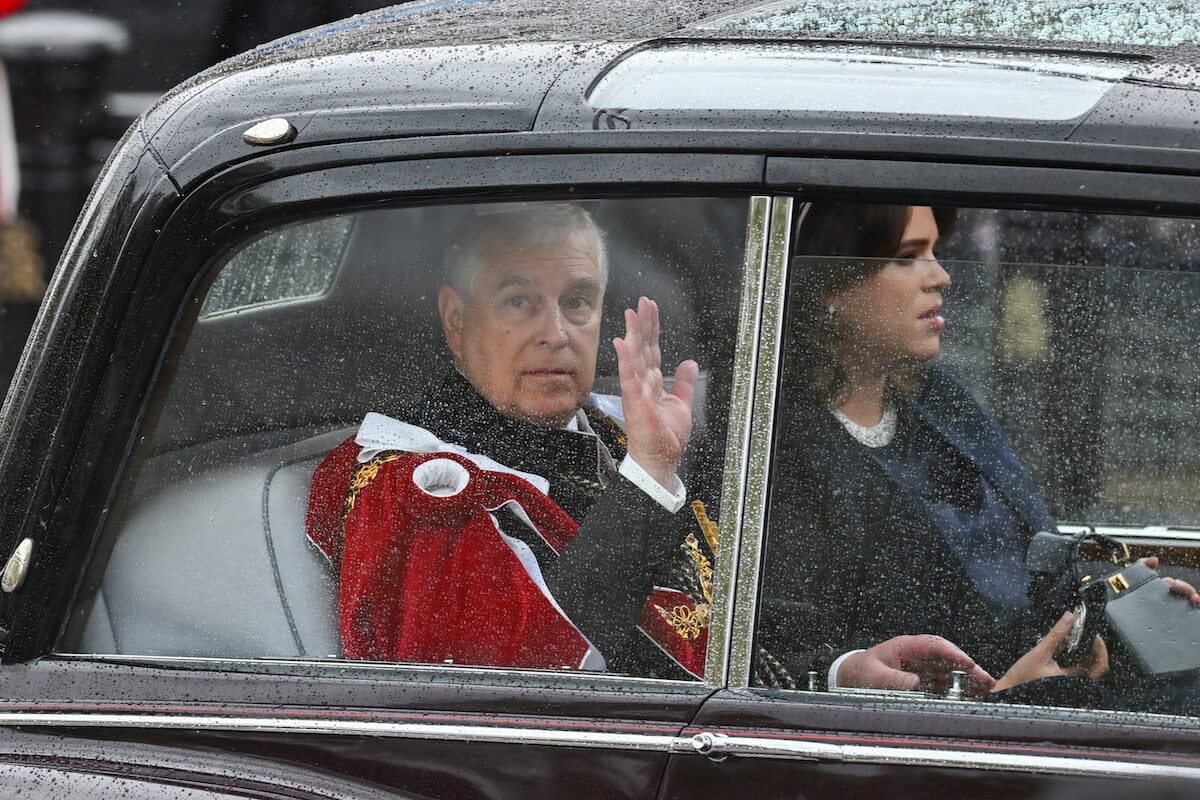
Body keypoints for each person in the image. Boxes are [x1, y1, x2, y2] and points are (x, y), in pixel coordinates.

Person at [756, 202, 1200, 706]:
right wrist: (1012, 697)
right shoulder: (776, 443)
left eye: (937, 253)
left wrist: (1106, 607)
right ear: (834, 283)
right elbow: (780, 655)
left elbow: (1029, 559)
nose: (941, 276)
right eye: (908, 257)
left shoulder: (942, 404)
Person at [306, 202, 713, 678]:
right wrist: (648, 477)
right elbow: (527, 688)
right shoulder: (420, 489)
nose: (556, 334)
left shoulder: (615, 427)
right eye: (520, 301)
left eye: (577, 302)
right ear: (456, 320)